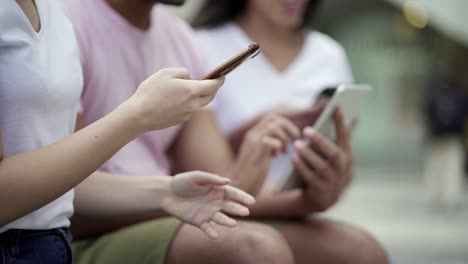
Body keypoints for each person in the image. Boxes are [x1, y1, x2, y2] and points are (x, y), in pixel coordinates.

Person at [62, 0, 389, 263]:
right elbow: (65, 200)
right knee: (257, 249)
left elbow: (224, 185)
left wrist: (311, 196)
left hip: (165, 212)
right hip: (92, 232)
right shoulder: (66, 22)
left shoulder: (181, 39)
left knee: (360, 251)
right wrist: (177, 194)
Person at [0, 0, 254, 263]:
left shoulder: (52, 12)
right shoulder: (72, 14)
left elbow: (64, 182)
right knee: (253, 247)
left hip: (53, 242)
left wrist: (165, 192)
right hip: (25, 244)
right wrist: (137, 115)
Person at [194, 0, 390, 262]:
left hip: (296, 214)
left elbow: (344, 169)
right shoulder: (200, 46)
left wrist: (332, 180)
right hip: (226, 213)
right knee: (359, 251)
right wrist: (253, 131)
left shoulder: (329, 54)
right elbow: (207, 186)